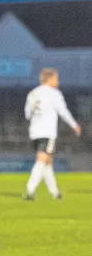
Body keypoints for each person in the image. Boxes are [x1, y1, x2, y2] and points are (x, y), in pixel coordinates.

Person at [24, 68, 81, 200]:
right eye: (56, 78)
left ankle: (54, 193)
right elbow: (63, 111)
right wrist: (74, 125)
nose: (57, 81)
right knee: (42, 160)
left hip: (34, 131)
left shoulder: (33, 93)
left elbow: (27, 115)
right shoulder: (54, 94)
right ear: (49, 79)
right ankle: (29, 190)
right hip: (47, 131)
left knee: (47, 162)